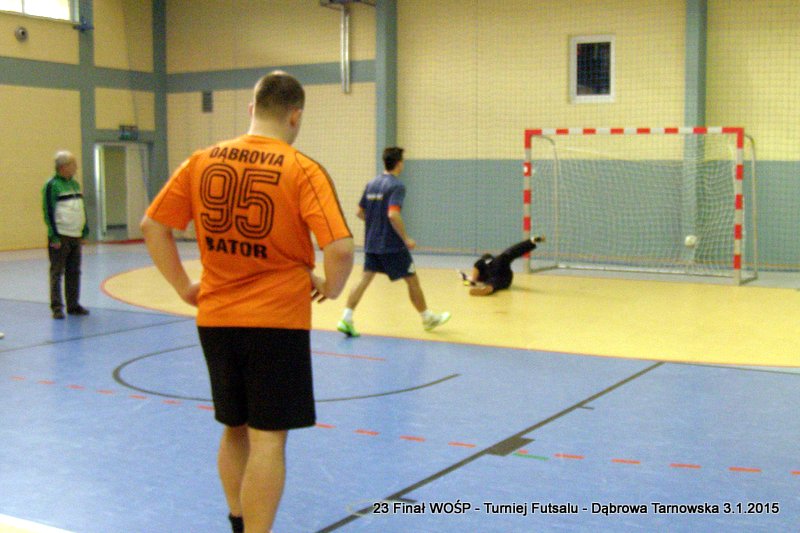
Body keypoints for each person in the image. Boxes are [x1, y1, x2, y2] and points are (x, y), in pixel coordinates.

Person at [140, 71, 354, 533]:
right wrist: (332, 287)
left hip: (216, 319)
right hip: (276, 323)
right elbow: (339, 247)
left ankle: (238, 522)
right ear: (295, 116)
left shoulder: (201, 160)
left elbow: (153, 225)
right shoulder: (302, 169)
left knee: (233, 427)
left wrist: (183, 287)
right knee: (269, 440)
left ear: (252, 108)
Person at [337, 147, 450, 338]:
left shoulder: (371, 183)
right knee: (412, 280)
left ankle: (346, 318)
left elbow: (359, 212)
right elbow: (393, 214)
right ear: (399, 163)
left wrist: (375, 223)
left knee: (364, 279)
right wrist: (406, 238)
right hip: (392, 245)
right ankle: (427, 318)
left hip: (372, 243)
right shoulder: (397, 186)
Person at [42, 150, 90, 319]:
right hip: (61, 236)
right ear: (64, 166)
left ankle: (73, 305)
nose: (76, 168)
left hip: (75, 234)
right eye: (73, 164)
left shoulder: (75, 185)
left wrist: (84, 230)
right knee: (57, 272)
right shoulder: (52, 185)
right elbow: (48, 211)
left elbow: (81, 208)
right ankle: (57, 307)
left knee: (74, 271)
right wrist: (54, 236)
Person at [460, 235, 545, 296]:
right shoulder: (491, 261)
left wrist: (473, 280)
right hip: (506, 277)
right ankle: (531, 241)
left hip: (497, 277)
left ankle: (489, 288)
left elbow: (477, 266)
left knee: (493, 282)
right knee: (507, 255)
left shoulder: (484, 264)